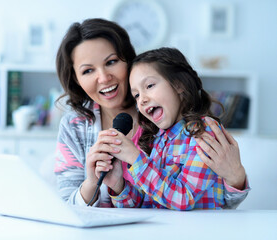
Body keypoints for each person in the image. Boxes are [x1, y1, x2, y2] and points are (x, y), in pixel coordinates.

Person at [54, 18, 249, 208]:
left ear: (128, 62)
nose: (104, 78)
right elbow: (146, 202)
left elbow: (206, 200)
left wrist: (236, 177)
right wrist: (113, 185)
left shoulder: (171, 122)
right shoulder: (75, 126)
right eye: (87, 71)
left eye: (111, 62)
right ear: (76, 79)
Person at [97, 47, 231, 209]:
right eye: (136, 95)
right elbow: (148, 203)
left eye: (149, 85)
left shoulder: (204, 132)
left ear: (179, 84)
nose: (142, 100)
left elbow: (183, 198)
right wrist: (118, 185)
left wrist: (136, 158)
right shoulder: (158, 139)